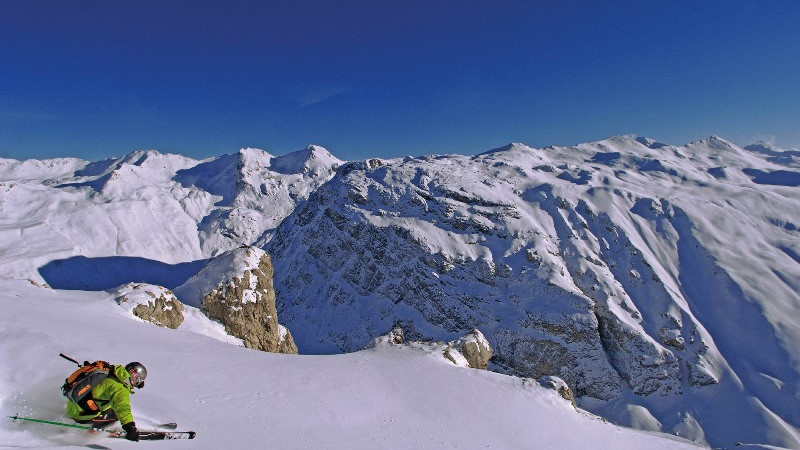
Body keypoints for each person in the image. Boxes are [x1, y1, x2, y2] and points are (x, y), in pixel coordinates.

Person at [65, 362, 147, 442]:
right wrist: (130, 428)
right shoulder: (120, 389)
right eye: (138, 381)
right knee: (115, 414)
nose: (136, 385)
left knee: (110, 405)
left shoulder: (111, 372)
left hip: (73, 404)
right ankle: (93, 431)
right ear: (134, 376)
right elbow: (122, 408)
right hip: (80, 414)